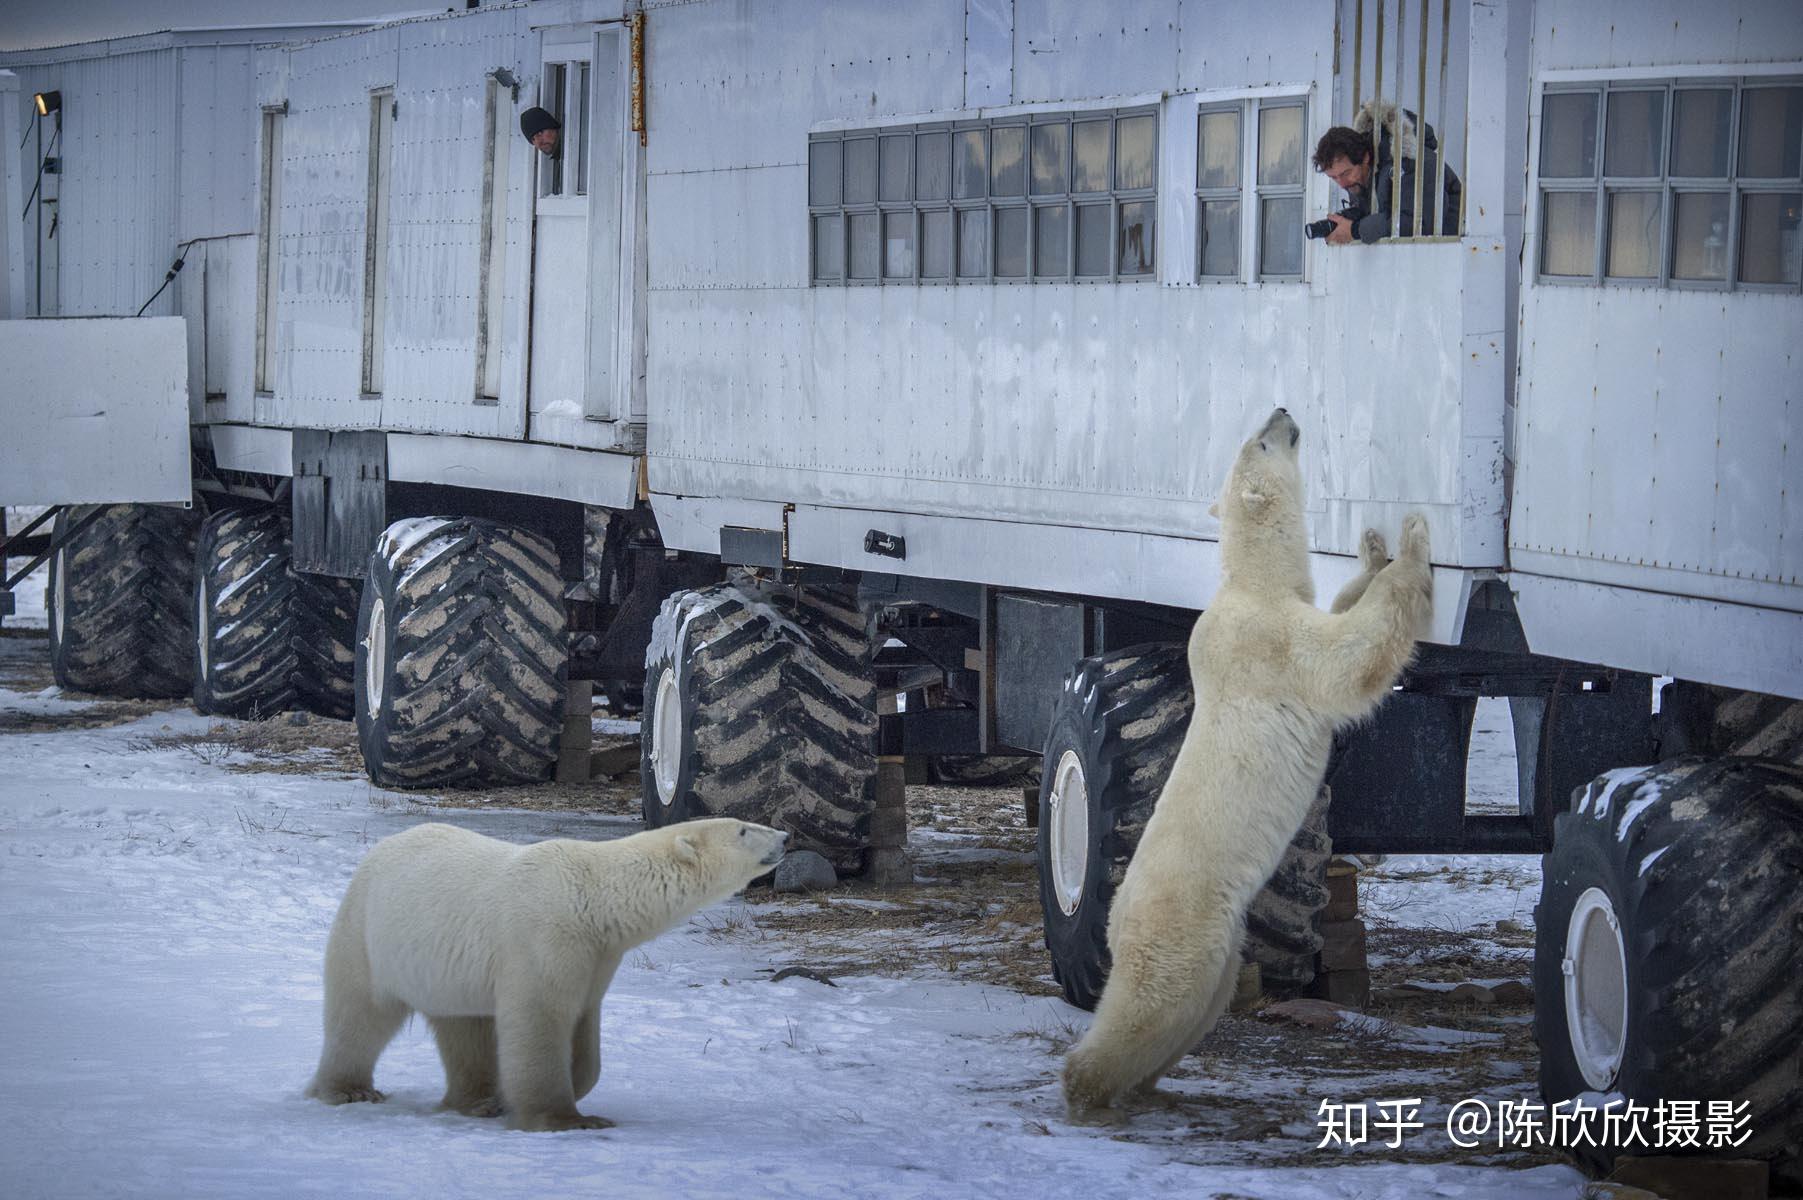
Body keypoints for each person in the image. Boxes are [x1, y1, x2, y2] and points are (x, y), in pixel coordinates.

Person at [1312, 100, 1462, 245]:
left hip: (1456, 253)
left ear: (1365, 157)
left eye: (1345, 173)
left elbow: (1419, 223)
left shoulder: (1408, 160)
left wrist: (1355, 230)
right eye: (1333, 177)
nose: (1342, 184)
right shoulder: (1363, 177)